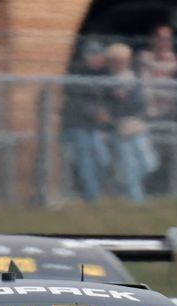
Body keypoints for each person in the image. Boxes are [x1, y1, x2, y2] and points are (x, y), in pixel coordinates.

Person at [61, 40, 111, 203]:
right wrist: (95, 113)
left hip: (95, 127)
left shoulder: (105, 74)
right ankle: (92, 198)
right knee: (86, 161)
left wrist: (104, 114)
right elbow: (75, 100)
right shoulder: (76, 71)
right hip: (77, 125)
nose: (100, 60)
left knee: (103, 160)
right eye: (96, 56)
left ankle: (93, 190)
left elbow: (108, 98)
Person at [106, 43, 156, 204]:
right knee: (129, 165)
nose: (121, 63)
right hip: (119, 128)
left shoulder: (133, 78)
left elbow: (138, 103)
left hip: (136, 125)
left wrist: (126, 99)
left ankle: (122, 188)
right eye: (117, 60)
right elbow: (112, 106)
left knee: (149, 163)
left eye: (124, 60)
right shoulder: (107, 81)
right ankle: (136, 201)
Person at [137, 25, 177, 121]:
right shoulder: (144, 56)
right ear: (153, 39)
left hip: (168, 108)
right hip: (146, 107)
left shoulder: (173, 59)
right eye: (161, 38)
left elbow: (171, 71)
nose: (164, 42)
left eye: (168, 39)